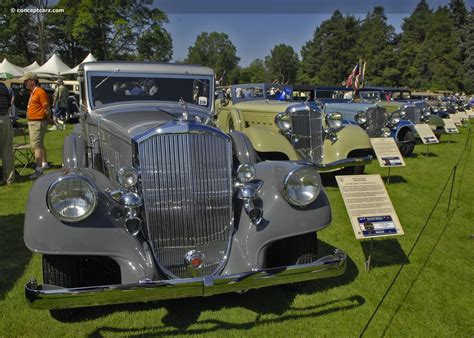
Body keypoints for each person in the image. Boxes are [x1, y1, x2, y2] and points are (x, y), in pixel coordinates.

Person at [21, 72, 50, 179]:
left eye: (26, 81)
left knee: (36, 147)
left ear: (32, 81)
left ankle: (38, 170)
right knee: (39, 145)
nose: (25, 83)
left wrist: (47, 119)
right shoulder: (34, 92)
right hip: (36, 122)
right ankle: (43, 164)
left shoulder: (39, 92)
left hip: (37, 122)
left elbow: (46, 108)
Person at [0, 77, 15, 185]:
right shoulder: (4, 87)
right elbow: (9, 104)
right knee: (7, 150)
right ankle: (9, 178)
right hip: (5, 118)